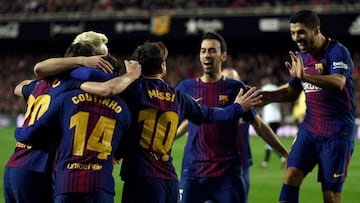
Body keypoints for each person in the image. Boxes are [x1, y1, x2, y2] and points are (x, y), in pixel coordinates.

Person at [32, 40, 263, 203]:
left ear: (138, 66)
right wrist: (238, 108)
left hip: (141, 179)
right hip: (170, 181)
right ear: (163, 67)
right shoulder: (179, 97)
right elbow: (212, 115)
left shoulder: (132, 89)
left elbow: (102, 89)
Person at [176, 32, 289, 203]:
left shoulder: (236, 88)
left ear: (223, 56)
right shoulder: (186, 88)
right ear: (199, 55)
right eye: (203, 50)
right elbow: (172, 123)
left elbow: (258, 125)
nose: (207, 54)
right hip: (193, 173)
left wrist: (285, 153)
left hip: (227, 174)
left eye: (212, 50)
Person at [259, 10, 355, 203]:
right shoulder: (302, 57)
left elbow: (338, 82)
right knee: (291, 175)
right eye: (293, 33)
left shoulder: (336, 51)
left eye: (301, 32)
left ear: (316, 30)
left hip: (337, 132)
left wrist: (306, 77)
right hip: (310, 129)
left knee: (331, 194)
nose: (296, 38)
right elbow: (291, 92)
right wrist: (261, 96)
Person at [14, 49, 132, 203]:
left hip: (67, 182)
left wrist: (20, 133)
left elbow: (39, 124)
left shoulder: (68, 98)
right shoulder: (123, 108)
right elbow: (126, 144)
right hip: (100, 183)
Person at [259, 77, 285, 168]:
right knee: (270, 140)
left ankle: (284, 157)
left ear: (264, 82)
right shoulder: (277, 88)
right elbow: (281, 104)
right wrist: (282, 117)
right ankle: (266, 162)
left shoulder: (264, 89)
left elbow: (259, 102)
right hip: (277, 118)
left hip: (269, 118)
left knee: (270, 140)